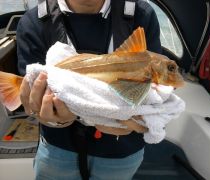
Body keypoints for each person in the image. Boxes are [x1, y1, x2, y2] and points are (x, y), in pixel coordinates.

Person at [17, 0, 162, 179]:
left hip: (122, 151)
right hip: (58, 147)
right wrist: (54, 119)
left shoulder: (141, 15)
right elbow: (33, 95)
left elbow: (156, 89)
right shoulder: (33, 22)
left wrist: (144, 118)